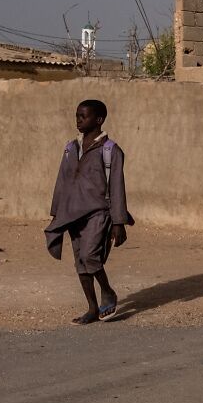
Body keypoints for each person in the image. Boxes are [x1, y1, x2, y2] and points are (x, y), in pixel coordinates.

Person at [45, 100, 133, 324]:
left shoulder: (110, 150)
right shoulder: (70, 148)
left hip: (98, 213)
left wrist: (118, 221)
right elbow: (62, 181)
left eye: (83, 116)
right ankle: (92, 308)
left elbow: (116, 186)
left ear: (99, 120)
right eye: (77, 116)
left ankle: (108, 291)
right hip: (73, 214)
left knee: (90, 256)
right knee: (80, 263)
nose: (78, 120)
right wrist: (57, 213)